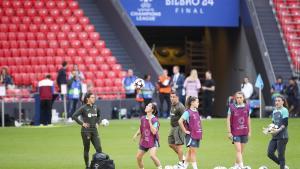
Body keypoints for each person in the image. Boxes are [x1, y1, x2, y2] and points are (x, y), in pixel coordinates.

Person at [72, 93, 102, 169]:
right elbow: (74, 116)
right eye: (92, 97)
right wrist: (82, 123)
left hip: (94, 130)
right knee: (87, 149)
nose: (94, 98)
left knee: (99, 148)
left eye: (94, 97)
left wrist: (97, 123)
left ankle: (98, 165)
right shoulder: (83, 108)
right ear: (87, 99)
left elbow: (99, 116)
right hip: (86, 131)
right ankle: (87, 166)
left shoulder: (96, 107)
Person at [133, 103, 162, 169]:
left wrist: (149, 121)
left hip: (153, 141)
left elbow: (154, 132)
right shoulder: (143, 118)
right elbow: (141, 128)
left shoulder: (155, 120)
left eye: (149, 106)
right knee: (138, 157)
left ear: (152, 110)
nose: (146, 106)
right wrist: (136, 134)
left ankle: (160, 167)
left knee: (152, 156)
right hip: (144, 140)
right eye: (147, 105)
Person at [226, 91, 251, 169]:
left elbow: (248, 119)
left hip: (244, 131)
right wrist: (229, 132)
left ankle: (236, 166)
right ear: (235, 98)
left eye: (240, 97)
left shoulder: (247, 106)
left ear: (243, 98)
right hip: (235, 132)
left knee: (241, 151)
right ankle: (242, 167)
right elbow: (228, 120)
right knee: (238, 150)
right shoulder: (231, 107)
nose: (239, 99)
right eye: (237, 98)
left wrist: (250, 131)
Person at [178, 96, 202, 169]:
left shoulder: (196, 111)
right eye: (197, 102)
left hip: (197, 134)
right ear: (192, 103)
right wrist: (185, 130)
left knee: (189, 151)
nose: (198, 103)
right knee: (193, 152)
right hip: (191, 135)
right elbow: (180, 121)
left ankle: (184, 166)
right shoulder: (187, 112)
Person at [267, 95, 289, 169]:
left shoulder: (284, 110)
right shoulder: (274, 111)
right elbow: (273, 123)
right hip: (275, 136)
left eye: (279, 101)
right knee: (270, 153)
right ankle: (282, 165)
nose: (277, 102)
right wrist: (269, 129)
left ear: (282, 102)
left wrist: (278, 130)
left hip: (283, 136)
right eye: (276, 101)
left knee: (280, 155)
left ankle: (282, 166)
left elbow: (285, 123)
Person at [169, 91, 186, 168]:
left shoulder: (180, 107)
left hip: (178, 128)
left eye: (174, 97)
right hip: (172, 127)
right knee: (171, 144)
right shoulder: (172, 105)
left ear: (177, 97)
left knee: (179, 146)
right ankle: (183, 158)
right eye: (171, 97)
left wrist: (184, 129)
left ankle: (181, 163)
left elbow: (186, 117)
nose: (172, 98)